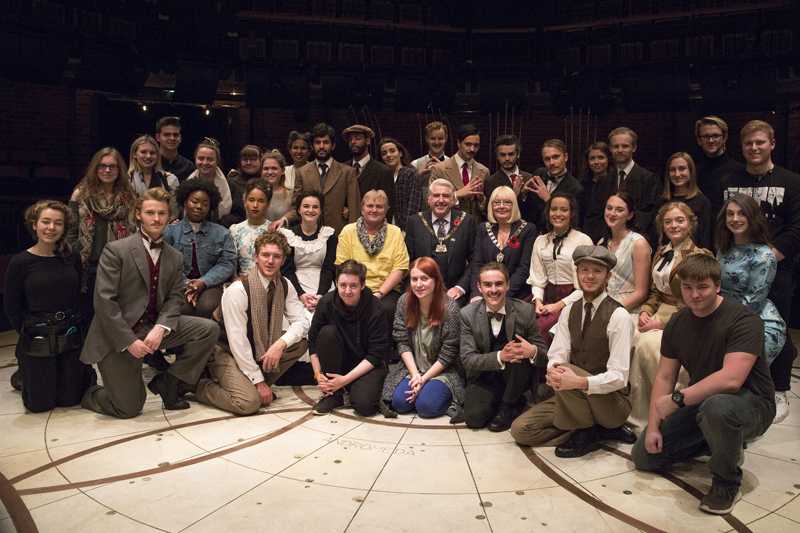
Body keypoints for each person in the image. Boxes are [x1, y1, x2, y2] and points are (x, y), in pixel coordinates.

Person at [632, 254, 775, 515]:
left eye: (702, 287)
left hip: (752, 403)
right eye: (688, 287)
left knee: (717, 409)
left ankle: (726, 482)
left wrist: (677, 399)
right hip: (703, 402)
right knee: (645, 456)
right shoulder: (678, 323)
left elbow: (732, 380)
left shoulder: (745, 320)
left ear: (717, 286)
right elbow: (665, 377)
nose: (695, 294)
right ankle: (717, 440)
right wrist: (653, 427)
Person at [80, 188, 218, 418]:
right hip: (117, 336)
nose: (156, 219)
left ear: (169, 217)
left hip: (151, 328)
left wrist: (161, 327)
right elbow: (105, 303)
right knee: (129, 408)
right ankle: (91, 392)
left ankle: (169, 382)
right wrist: (129, 341)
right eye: (150, 213)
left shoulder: (175, 256)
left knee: (208, 329)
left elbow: (175, 297)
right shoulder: (116, 250)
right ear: (138, 215)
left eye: (161, 213)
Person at [510, 245, 635, 456]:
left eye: (597, 271)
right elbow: (557, 354)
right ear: (577, 274)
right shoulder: (569, 310)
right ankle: (592, 431)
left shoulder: (619, 316)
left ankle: (588, 429)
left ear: (608, 276)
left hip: (610, 402)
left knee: (565, 369)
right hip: (573, 394)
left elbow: (619, 377)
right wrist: (554, 370)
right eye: (584, 270)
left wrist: (580, 382)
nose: (590, 276)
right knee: (521, 430)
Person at [725, 120, 800, 423]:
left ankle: (778, 389)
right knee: (736, 325)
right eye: (748, 143)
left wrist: (769, 256)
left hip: (776, 268)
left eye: (760, 142)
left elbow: (797, 227)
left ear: (772, 143)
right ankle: (740, 381)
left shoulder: (791, 181)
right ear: (742, 146)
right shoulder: (729, 180)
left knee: (774, 327)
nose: (754, 148)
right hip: (735, 265)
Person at [195, 231, 309, 415]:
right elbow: (238, 342)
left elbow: (302, 322)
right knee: (248, 403)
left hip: (255, 347)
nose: (270, 261)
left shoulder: (285, 284)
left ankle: (251, 383)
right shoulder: (238, 290)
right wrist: (259, 382)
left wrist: (279, 344)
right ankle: (197, 385)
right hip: (224, 350)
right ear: (256, 257)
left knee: (299, 343)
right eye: (265, 255)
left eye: (276, 256)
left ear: (283, 260)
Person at [4, 200, 95, 412]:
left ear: (64, 228)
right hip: (38, 337)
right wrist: (28, 331)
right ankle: (23, 373)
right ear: (34, 224)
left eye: (58, 223)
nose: (51, 227)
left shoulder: (71, 257)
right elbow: (12, 306)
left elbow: (78, 296)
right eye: (45, 222)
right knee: (39, 405)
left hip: (69, 335)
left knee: (70, 400)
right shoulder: (20, 262)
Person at [628, 202, 711, 428]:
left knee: (647, 345)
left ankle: (665, 415)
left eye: (679, 220)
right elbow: (655, 292)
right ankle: (634, 409)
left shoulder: (699, 255)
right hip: (658, 310)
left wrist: (661, 323)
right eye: (668, 221)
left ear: (690, 223)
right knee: (626, 332)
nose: (674, 225)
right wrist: (645, 311)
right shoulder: (661, 252)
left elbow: (696, 301)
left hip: (685, 316)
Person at [460, 262, 547, 431]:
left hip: (515, 376)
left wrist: (532, 351)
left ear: (507, 285)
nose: (493, 290)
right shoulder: (467, 314)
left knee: (518, 352)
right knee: (474, 419)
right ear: (479, 287)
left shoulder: (525, 311)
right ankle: (501, 402)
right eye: (487, 285)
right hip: (484, 376)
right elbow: (467, 359)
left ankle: (509, 404)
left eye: (499, 284)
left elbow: (544, 356)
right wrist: (501, 356)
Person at [382, 257, 465, 418]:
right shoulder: (404, 302)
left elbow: (449, 354)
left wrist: (424, 379)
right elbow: (402, 342)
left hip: (443, 370)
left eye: (424, 279)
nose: (418, 284)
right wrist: (415, 375)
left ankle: (444, 396)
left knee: (426, 407)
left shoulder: (450, 308)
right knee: (399, 403)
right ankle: (422, 388)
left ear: (436, 280)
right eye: (414, 279)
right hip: (413, 368)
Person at [308, 260, 391, 416]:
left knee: (365, 407)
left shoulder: (376, 308)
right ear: (336, 283)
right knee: (327, 333)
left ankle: (347, 388)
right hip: (338, 361)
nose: (347, 291)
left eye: (353, 286)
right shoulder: (326, 303)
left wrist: (344, 380)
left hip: (367, 364)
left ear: (362, 285)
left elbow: (375, 355)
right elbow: (312, 341)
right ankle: (334, 394)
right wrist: (318, 374)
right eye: (343, 285)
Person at [67, 147, 136, 325]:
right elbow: (71, 230)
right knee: (89, 317)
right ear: (95, 168)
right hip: (89, 266)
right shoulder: (80, 194)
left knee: (116, 318)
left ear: (119, 169)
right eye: (102, 166)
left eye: (112, 166)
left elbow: (134, 230)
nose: (107, 170)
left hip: (119, 266)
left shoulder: (128, 197)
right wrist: (74, 255)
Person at [716, 194, 786, 365]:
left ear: (752, 217)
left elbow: (752, 303)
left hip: (755, 320)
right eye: (730, 214)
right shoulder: (723, 249)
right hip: (722, 314)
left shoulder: (764, 255)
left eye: (742, 213)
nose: (735, 219)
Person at [335, 189, 410, 332]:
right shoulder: (348, 231)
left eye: (379, 206)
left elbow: (400, 268)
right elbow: (342, 267)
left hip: (386, 291)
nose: (374, 210)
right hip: (354, 288)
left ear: (387, 210)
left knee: (385, 308)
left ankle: (380, 346)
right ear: (362, 208)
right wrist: (356, 291)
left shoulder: (395, 232)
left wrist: (379, 294)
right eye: (370, 206)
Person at [163, 179, 236, 318]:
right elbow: (166, 263)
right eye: (194, 201)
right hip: (179, 283)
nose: (199, 206)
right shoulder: (170, 231)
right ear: (185, 202)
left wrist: (203, 282)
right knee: (182, 307)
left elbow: (227, 263)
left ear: (211, 206)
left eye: (205, 204)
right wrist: (187, 284)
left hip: (211, 284)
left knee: (207, 306)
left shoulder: (222, 233)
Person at [528, 192, 593, 341]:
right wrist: (538, 301)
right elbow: (537, 278)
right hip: (546, 296)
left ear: (572, 213)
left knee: (541, 328)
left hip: (574, 299)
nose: (558, 214)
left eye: (564, 210)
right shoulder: (540, 241)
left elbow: (585, 288)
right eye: (554, 209)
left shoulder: (583, 240)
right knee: (520, 320)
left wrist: (558, 305)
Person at [404, 178, 478, 306]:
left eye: (446, 196)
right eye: (436, 195)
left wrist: (460, 287)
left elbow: (475, 261)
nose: (441, 200)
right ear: (429, 199)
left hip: (454, 291)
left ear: (453, 200)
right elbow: (408, 260)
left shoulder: (467, 222)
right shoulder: (415, 222)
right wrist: (417, 285)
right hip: (421, 288)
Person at [470, 186, 536, 301]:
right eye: (497, 202)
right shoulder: (483, 228)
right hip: (484, 294)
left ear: (514, 205)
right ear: (491, 206)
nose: (501, 206)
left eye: (507, 202)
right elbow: (477, 265)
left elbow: (524, 269)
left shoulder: (528, 229)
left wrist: (500, 295)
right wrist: (477, 294)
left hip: (516, 295)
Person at [292, 122, 360, 234]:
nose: (322, 146)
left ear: (333, 146)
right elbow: (296, 206)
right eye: (318, 142)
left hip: (339, 234)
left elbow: (354, 210)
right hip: (309, 234)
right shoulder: (302, 172)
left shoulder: (348, 172)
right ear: (312, 146)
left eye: (326, 142)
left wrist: (352, 236)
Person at [280, 191, 337, 314]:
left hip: (324, 285)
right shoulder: (288, 235)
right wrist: (301, 294)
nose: (310, 210)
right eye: (306, 206)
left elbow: (328, 269)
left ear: (321, 211)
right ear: (299, 210)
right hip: (295, 285)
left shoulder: (329, 234)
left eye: (315, 207)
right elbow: (287, 270)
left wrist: (320, 295)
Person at [598, 192, 652, 314]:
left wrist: (611, 311)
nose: (612, 213)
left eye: (619, 210)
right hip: (604, 303)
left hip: (628, 309)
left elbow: (641, 293)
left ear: (630, 215)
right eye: (609, 208)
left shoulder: (638, 243)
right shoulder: (602, 242)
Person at [608, 127, 660, 243]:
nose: (620, 150)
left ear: (634, 148)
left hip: (637, 240)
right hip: (609, 239)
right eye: (616, 146)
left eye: (625, 146)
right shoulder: (604, 179)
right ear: (610, 149)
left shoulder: (649, 179)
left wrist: (626, 235)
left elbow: (649, 215)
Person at [430, 124, 489, 220]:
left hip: (475, 225)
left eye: (476, 145)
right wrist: (457, 194)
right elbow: (431, 201)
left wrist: (481, 199)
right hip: (449, 224)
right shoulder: (440, 169)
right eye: (468, 144)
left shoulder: (483, 171)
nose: (472, 149)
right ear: (458, 143)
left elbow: (486, 209)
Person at [523, 139, 584, 229]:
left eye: (556, 157)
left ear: (565, 157)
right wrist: (523, 194)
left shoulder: (575, 188)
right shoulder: (539, 174)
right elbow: (529, 210)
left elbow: (573, 223)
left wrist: (548, 199)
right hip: (534, 232)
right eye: (547, 159)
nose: (551, 163)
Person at [657, 152, 712, 249]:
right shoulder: (662, 201)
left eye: (682, 169)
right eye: (672, 170)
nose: (677, 174)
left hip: (693, 255)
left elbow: (705, 239)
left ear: (691, 171)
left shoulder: (702, 202)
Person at [694, 115, 742, 215]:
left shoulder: (739, 170)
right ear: (699, 140)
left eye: (715, 136)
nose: (711, 140)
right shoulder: (694, 173)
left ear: (724, 138)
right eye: (706, 136)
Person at [343, 124, 395, 211]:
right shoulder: (342, 169)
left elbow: (388, 207)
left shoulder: (383, 171)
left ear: (367, 141)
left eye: (358, 138)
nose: (353, 142)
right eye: (350, 139)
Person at [127, 134, 180, 218]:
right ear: (134, 154)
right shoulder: (126, 180)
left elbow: (174, 212)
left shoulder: (170, 180)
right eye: (143, 152)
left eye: (152, 153)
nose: (148, 156)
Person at [229, 179, 273, 275]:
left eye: (261, 201)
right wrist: (235, 279)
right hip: (242, 280)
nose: (255, 205)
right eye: (251, 200)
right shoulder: (235, 230)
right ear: (245, 202)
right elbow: (231, 262)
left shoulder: (274, 229)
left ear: (268, 204)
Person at [378, 136, 420, 231]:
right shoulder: (382, 177)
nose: (388, 155)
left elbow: (413, 205)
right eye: (384, 153)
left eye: (392, 151)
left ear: (400, 153)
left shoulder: (410, 173)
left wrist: (407, 230)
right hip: (384, 227)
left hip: (405, 228)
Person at [483, 134, 533, 215]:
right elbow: (489, 212)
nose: (507, 158)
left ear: (518, 154)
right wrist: (515, 194)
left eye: (511, 154)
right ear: (497, 156)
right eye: (503, 155)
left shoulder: (529, 178)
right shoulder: (490, 182)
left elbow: (535, 210)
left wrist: (523, 196)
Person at [186, 137, 232, 221]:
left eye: (210, 159)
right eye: (201, 158)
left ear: (217, 161)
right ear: (195, 159)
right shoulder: (187, 185)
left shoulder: (231, 185)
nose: (205, 163)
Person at [580, 142, 615, 243]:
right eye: (592, 158)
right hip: (585, 234)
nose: (596, 162)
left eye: (601, 157)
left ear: (608, 159)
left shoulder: (615, 183)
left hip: (607, 234)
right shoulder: (582, 183)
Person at [223, 144, 262, 227]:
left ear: (260, 161)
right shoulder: (231, 182)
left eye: (253, 159)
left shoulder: (266, 181)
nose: (248, 163)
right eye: (245, 159)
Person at [259, 149, 294, 228]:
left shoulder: (291, 194)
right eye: (266, 169)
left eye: (274, 168)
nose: (270, 172)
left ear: (283, 171)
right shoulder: (254, 193)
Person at [155, 116, 195, 182]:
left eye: (175, 135)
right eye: (167, 135)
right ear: (158, 137)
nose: (172, 138)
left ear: (180, 138)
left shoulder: (188, 167)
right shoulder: (151, 163)